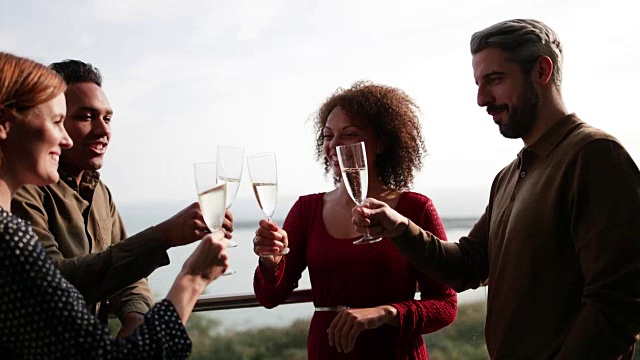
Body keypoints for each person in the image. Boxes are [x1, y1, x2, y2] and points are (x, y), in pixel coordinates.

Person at [351, 19, 640, 359]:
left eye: (495, 80)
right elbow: (469, 266)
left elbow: (618, 301)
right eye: (478, 83)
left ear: (542, 71)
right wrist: (399, 226)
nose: (481, 98)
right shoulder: (508, 176)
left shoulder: (594, 155)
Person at [0, 51, 229, 358]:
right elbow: (57, 281)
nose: (104, 130)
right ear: (5, 124)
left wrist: (137, 317)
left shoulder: (100, 193)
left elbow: (126, 272)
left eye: (107, 118)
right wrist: (191, 274)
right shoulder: (13, 223)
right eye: (78, 118)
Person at [252, 81, 457, 359]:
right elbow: (270, 297)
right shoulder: (306, 210)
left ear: (382, 142)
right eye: (327, 136)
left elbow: (445, 305)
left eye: (349, 134)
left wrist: (385, 313)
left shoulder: (414, 208)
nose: (334, 145)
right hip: (329, 352)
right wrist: (270, 261)